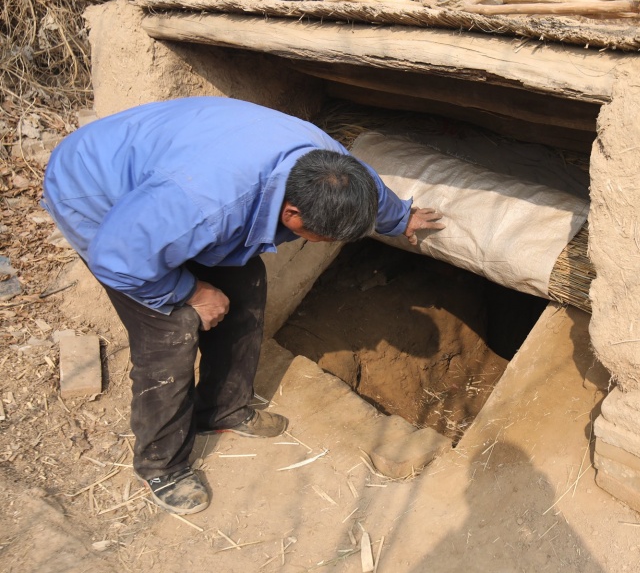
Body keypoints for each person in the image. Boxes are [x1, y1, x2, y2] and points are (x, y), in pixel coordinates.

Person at [42, 97, 445, 515]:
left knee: (246, 280)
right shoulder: (205, 204)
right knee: (172, 330)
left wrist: (401, 219)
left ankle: (222, 409)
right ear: (291, 212)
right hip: (97, 198)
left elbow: (369, 192)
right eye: (324, 236)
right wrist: (191, 292)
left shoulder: (331, 168)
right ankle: (162, 464)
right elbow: (119, 260)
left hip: (170, 186)